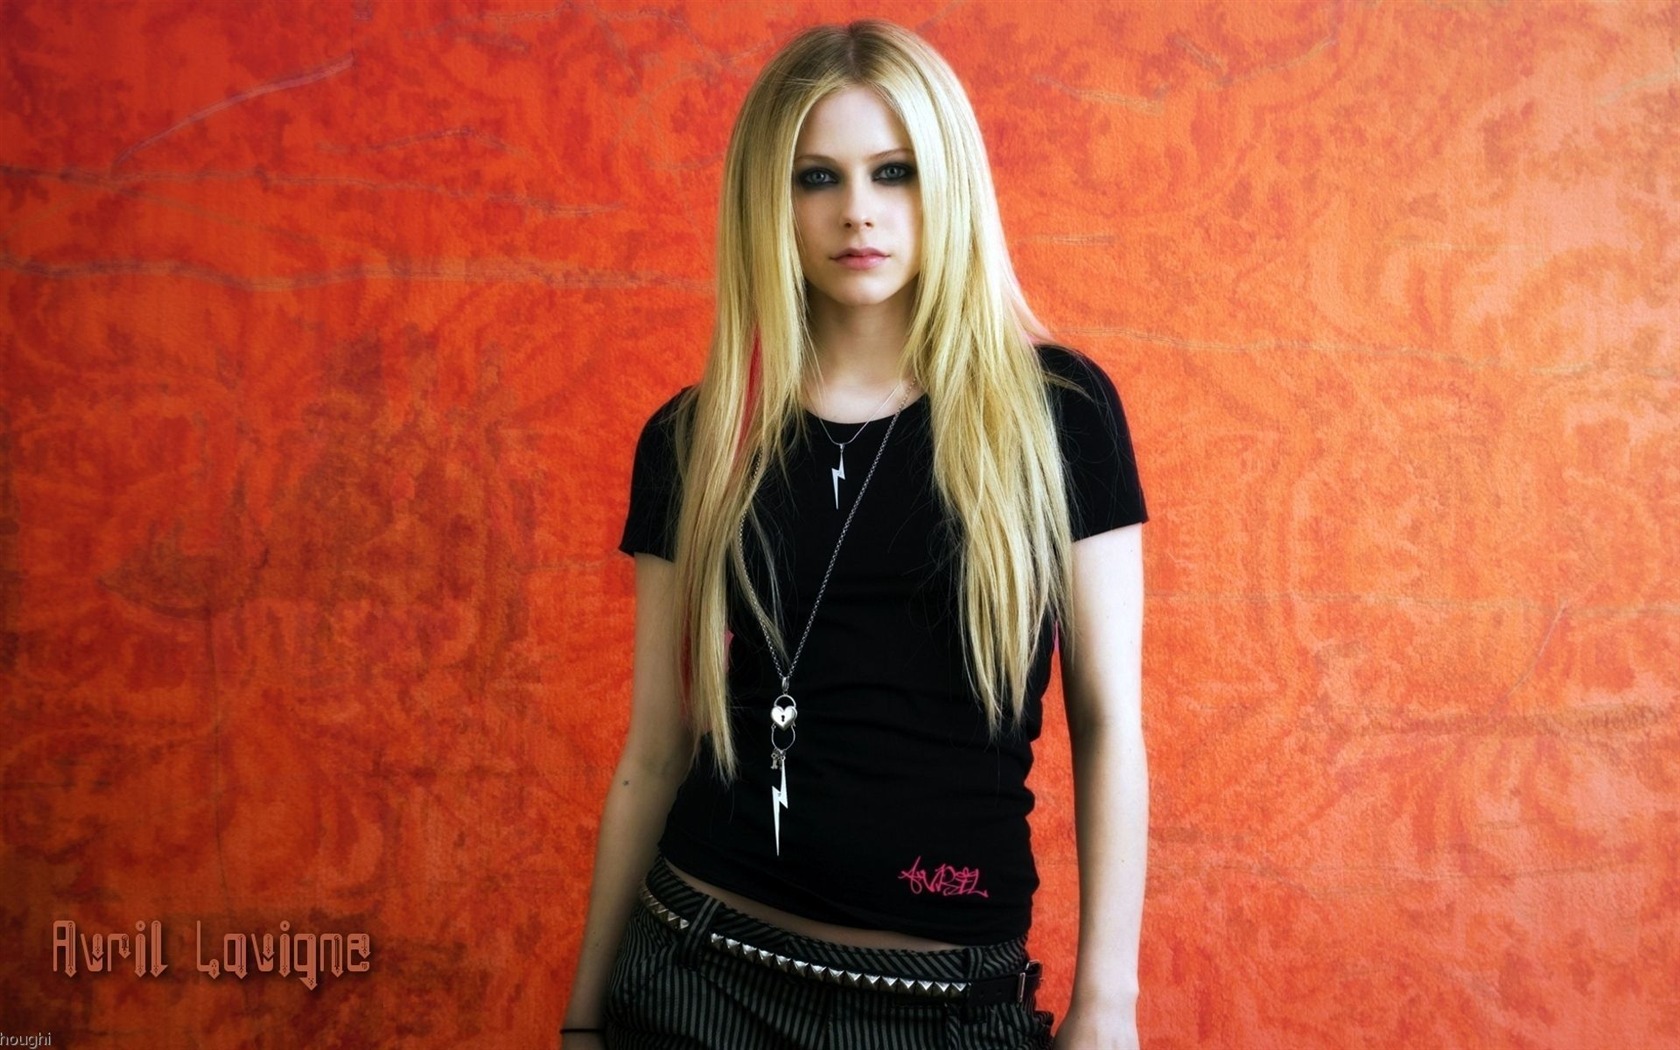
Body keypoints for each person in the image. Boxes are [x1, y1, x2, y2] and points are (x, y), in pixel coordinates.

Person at [562, 19, 1147, 1050]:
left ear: (947, 182)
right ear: (770, 200)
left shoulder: (1058, 415)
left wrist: (1108, 1003)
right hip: (695, 974)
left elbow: (1107, 722)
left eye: (895, 171)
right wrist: (580, 1021)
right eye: (817, 178)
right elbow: (656, 748)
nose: (858, 211)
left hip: (944, 1007)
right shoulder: (696, 439)